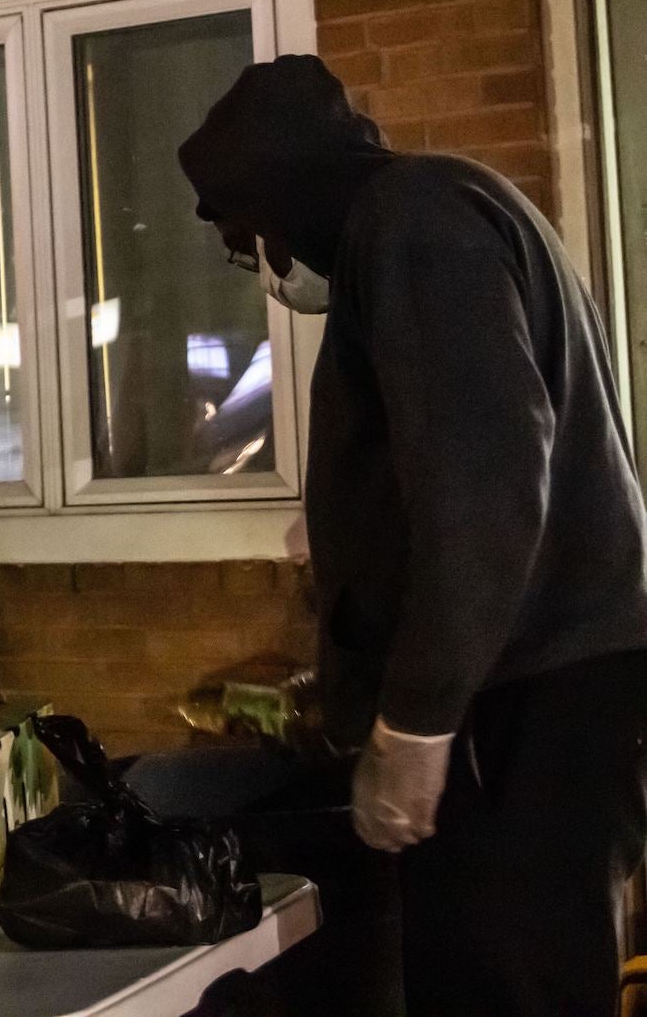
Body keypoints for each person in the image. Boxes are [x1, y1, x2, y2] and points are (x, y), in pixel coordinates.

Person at [179, 55, 647, 1017]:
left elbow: (488, 479)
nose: (259, 264)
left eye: (245, 237)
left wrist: (418, 719)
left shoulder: (412, 223)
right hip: (535, 684)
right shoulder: (444, 212)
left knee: (506, 984)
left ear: (284, 197)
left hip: (520, 699)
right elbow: (476, 443)